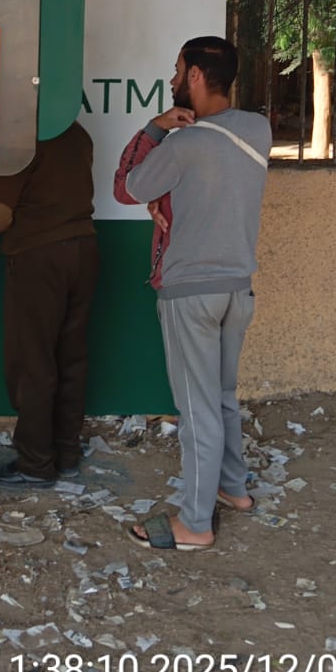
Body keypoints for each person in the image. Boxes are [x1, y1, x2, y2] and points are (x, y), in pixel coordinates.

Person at [114, 36, 271, 550]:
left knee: (196, 410)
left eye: (179, 70)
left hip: (190, 294)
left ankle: (196, 524)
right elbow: (212, 187)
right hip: (237, 291)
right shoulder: (258, 130)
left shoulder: (182, 145)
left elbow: (126, 186)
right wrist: (168, 203)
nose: (173, 78)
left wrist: (154, 129)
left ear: (197, 76)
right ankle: (234, 490)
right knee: (221, 397)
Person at [0, 123, 99, 487]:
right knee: (71, 357)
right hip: (84, 247)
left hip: (38, 255)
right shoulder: (79, 134)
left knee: (32, 360)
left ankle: (34, 462)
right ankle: (67, 453)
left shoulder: (22, 139)